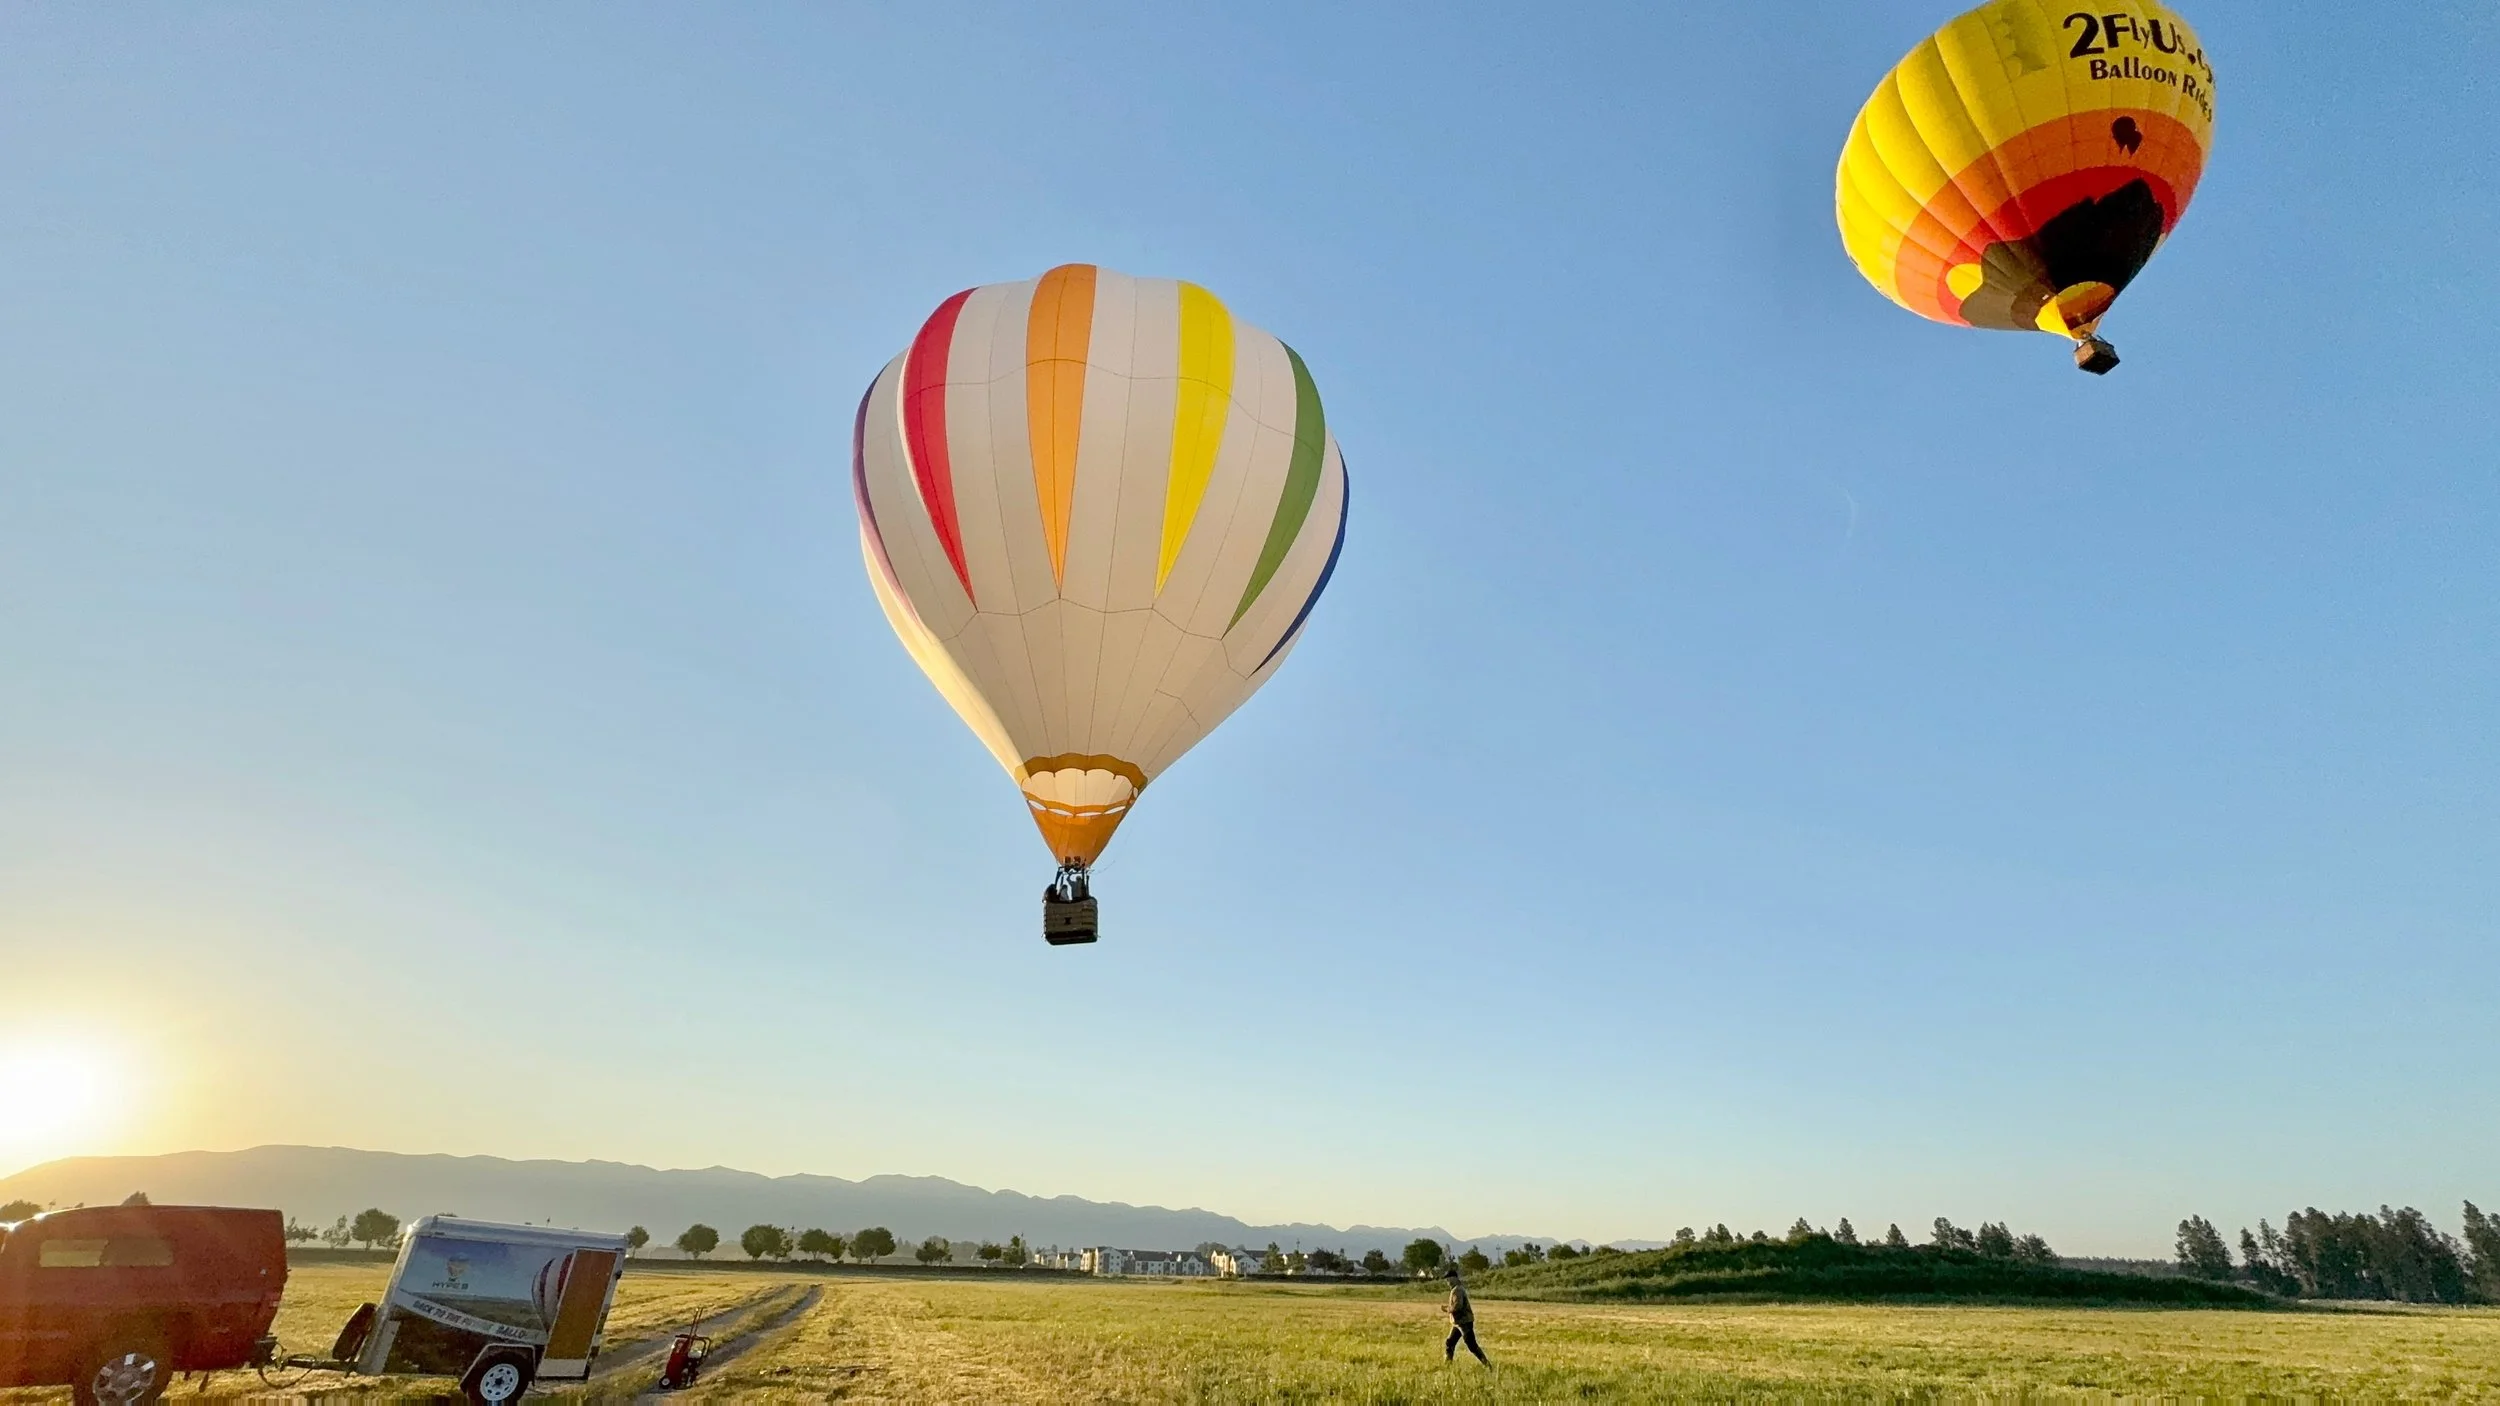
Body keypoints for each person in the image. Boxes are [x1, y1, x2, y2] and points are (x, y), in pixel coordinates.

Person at [1441, 1263, 1490, 1366]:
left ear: (1454, 1278)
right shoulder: (1457, 1289)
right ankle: (1447, 1364)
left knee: (1471, 1345)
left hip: (1464, 1322)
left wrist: (1446, 1309)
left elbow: (1457, 1307)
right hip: (1459, 1323)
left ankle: (1487, 1364)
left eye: (1448, 1279)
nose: (1447, 1282)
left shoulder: (1457, 1290)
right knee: (1450, 1343)